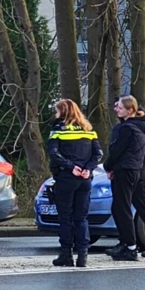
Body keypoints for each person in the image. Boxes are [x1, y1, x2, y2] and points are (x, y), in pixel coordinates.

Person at [102, 95, 145, 261]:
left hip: (128, 170)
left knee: (121, 207)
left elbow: (117, 151)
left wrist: (108, 166)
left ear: (130, 110)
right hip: (140, 171)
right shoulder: (144, 127)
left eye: (119, 107)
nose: (116, 109)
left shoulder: (127, 128)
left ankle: (129, 245)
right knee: (141, 206)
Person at [47, 100, 103, 268]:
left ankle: (66, 254)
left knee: (65, 218)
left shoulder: (58, 128)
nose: (55, 114)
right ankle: (83, 256)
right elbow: (98, 153)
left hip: (66, 178)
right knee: (81, 218)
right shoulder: (88, 129)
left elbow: (54, 153)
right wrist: (87, 168)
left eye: (57, 111)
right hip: (85, 180)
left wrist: (71, 167)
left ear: (63, 112)